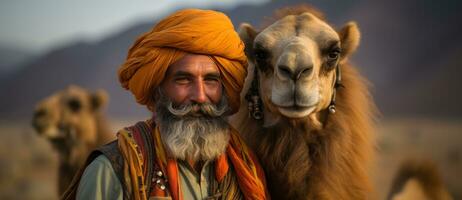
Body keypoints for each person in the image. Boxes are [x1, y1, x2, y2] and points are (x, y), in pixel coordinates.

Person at [61, 8, 268, 200]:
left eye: (211, 80)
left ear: (225, 86)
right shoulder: (112, 171)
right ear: (159, 87)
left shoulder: (247, 168)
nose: (200, 96)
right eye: (183, 79)